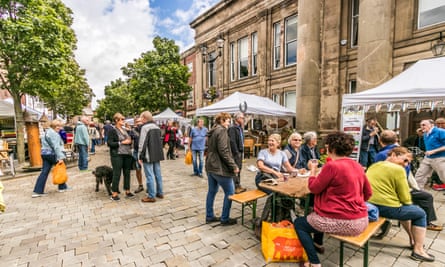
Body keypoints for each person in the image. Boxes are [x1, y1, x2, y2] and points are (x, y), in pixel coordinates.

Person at [294, 132, 372, 267]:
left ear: (332, 148)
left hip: (342, 222)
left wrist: (312, 170)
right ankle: (318, 243)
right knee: (316, 215)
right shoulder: (357, 165)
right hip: (361, 220)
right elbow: (368, 193)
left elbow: (314, 188)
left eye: (327, 146)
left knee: (300, 223)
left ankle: (314, 262)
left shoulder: (332, 166)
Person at [367, 147, 435, 262]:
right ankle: (418, 250)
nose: (406, 164)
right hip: (385, 207)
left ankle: (413, 240)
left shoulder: (374, 166)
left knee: (408, 210)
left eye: (408, 162)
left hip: (369, 204)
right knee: (419, 213)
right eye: (405, 160)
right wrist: (407, 203)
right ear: (394, 155)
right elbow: (405, 197)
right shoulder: (398, 170)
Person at [374, 130, 442, 232]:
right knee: (424, 199)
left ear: (380, 141)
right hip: (392, 192)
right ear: (396, 140)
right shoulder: (401, 153)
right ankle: (424, 223)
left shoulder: (380, 155)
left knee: (424, 196)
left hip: (390, 190)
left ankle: (422, 223)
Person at [205, 112, 239, 225]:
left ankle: (209, 216)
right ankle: (225, 218)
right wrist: (233, 165)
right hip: (219, 167)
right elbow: (224, 151)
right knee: (230, 192)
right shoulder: (222, 131)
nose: (229, 123)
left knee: (211, 191)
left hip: (210, 165)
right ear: (222, 121)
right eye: (228, 121)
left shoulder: (213, 130)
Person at [32, 119, 71, 197]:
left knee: (44, 172)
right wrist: (60, 157)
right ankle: (62, 187)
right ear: (55, 126)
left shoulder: (46, 132)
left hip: (44, 154)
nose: (60, 128)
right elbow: (56, 147)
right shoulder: (55, 134)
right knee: (60, 169)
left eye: (60, 126)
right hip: (52, 154)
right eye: (58, 126)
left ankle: (38, 191)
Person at [138, 111, 165, 203]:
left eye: (141, 117)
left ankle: (151, 196)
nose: (140, 119)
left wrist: (140, 156)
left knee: (149, 175)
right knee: (158, 174)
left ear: (145, 118)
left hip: (148, 155)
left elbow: (142, 143)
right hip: (157, 154)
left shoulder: (145, 127)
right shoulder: (157, 127)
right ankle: (160, 192)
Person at [107, 113, 135, 201]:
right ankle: (114, 193)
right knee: (117, 173)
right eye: (122, 119)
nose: (124, 120)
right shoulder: (112, 130)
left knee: (127, 173)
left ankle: (127, 191)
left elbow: (130, 140)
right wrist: (122, 142)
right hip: (117, 155)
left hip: (127, 154)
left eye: (124, 119)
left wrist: (130, 141)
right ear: (116, 120)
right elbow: (110, 143)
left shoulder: (125, 129)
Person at [414, 119, 445, 189]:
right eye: (421, 125)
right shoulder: (425, 134)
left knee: (443, 177)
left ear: (432, 125)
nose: (422, 127)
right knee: (419, 176)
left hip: (440, 158)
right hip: (428, 158)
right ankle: (417, 195)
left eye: (424, 125)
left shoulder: (440, 132)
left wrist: (434, 151)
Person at [228, 112, 246, 194]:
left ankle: (238, 184)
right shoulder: (232, 128)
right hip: (236, 152)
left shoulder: (240, 128)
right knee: (235, 169)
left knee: (239, 169)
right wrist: (236, 152)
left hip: (240, 151)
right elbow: (232, 141)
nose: (243, 119)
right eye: (242, 118)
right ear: (237, 119)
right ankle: (235, 186)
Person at [130, 117, 144, 194]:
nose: (138, 123)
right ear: (135, 123)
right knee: (138, 169)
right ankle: (140, 185)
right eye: (137, 122)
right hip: (136, 151)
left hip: (145, 152)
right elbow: (131, 140)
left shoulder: (145, 129)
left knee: (148, 169)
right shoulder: (133, 130)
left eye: (140, 121)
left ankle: (150, 185)